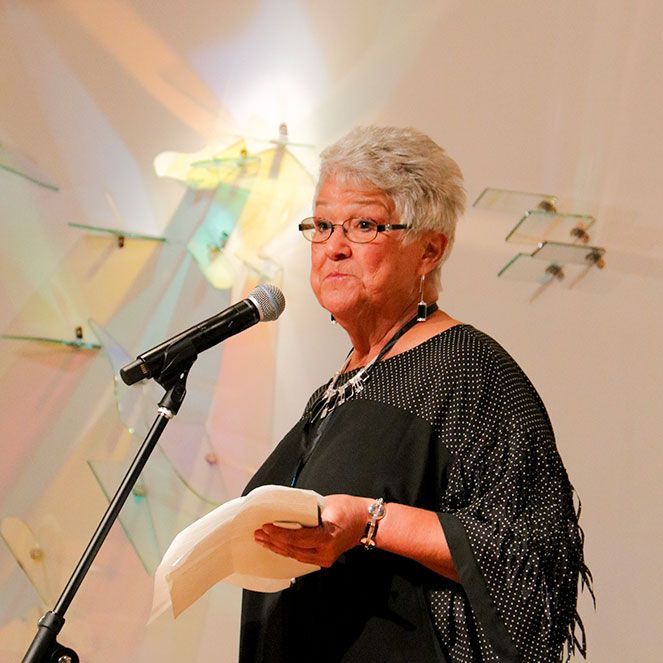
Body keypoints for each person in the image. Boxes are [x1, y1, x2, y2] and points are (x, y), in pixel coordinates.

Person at [240, 126, 592, 662]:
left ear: (429, 250)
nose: (333, 247)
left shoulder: (467, 369)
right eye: (324, 224)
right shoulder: (339, 386)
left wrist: (371, 522)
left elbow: (531, 559)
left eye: (363, 225)